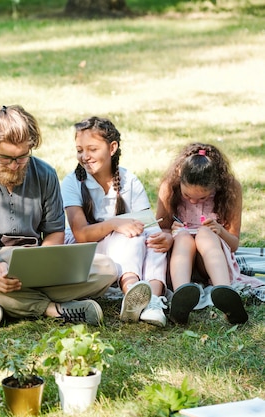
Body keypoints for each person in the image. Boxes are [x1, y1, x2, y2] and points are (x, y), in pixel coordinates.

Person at [0, 105, 117, 327]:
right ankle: (53, 309)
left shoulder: (45, 173)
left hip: (36, 258)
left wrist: (42, 266)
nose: (15, 166)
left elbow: (54, 232)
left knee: (107, 269)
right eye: (5, 158)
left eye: (22, 157)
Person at [61, 116, 170, 327]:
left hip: (124, 245)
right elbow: (81, 234)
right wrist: (115, 224)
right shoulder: (72, 182)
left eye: (92, 149)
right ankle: (131, 290)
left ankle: (153, 301)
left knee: (149, 237)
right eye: (80, 150)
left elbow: (148, 224)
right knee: (131, 234)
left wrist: (164, 238)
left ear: (112, 148)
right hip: (86, 248)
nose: (85, 156)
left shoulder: (129, 180)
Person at [156, 143, 248, 325]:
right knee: (183, 237)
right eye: (187, 195)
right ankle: (181, 296)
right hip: (181, 261)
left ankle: (226, 293)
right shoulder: (169, 187)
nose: (192, 201)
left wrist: (219, 230)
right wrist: (167, 235)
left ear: (216, 185)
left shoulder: (231, 189)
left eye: (202, 198)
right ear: (180, 178)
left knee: (205, 233)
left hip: (212, 261)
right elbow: (162, 227)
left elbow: (234, 244)